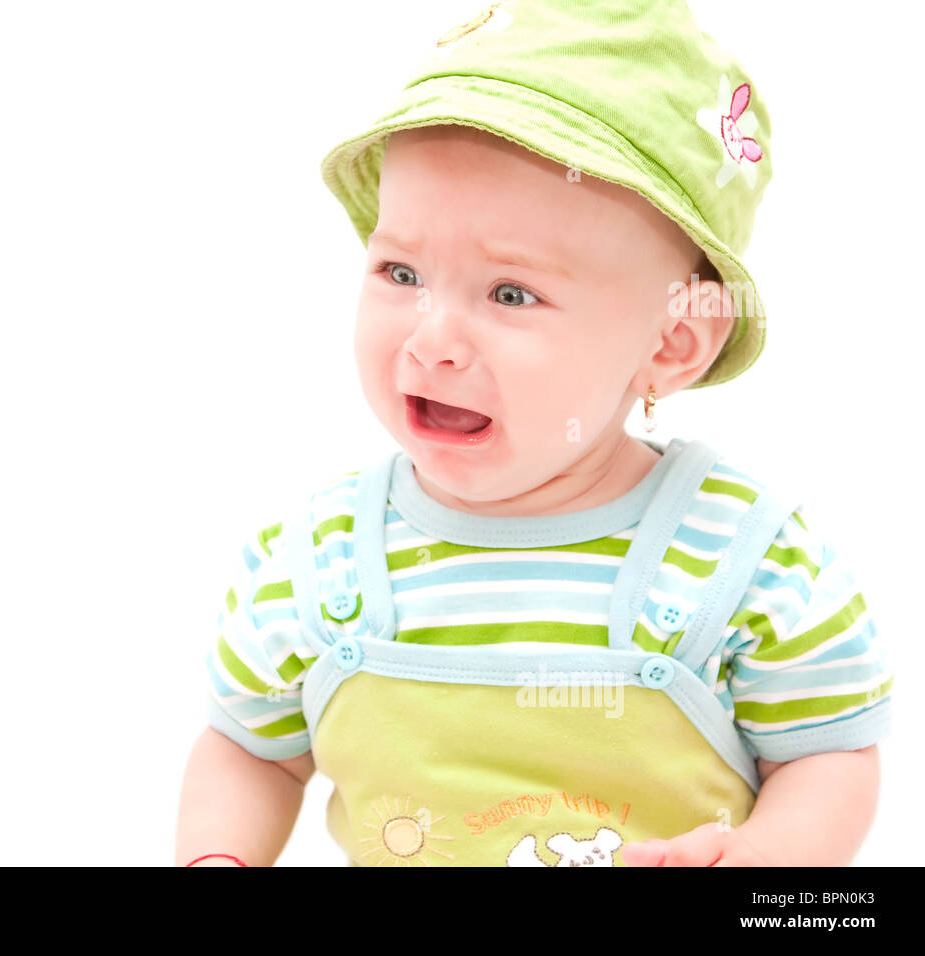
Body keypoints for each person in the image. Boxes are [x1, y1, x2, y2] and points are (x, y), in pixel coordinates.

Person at [176, 0, 893, 867]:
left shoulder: (742, 559)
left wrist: (768, 864)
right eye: (401, 271)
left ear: (671, 343)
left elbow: (828, 754)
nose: (431, 341)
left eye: (510, 294)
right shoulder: (316, 559)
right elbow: (252, 753)